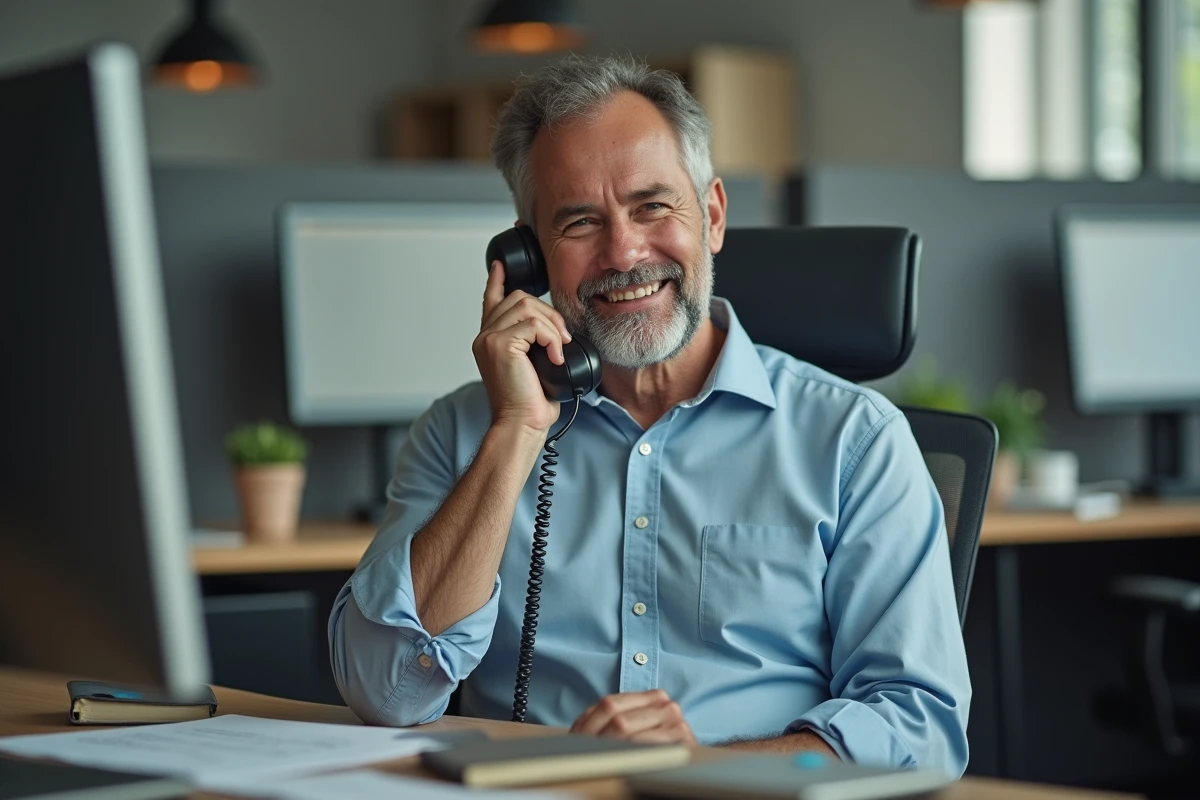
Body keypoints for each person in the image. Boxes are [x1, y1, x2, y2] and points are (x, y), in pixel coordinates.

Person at [328, 54, 970, 775]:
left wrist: (704, 769)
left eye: (653, 206)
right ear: (528, 257)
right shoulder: (460, 435)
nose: (625, 252)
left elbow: (919, 726)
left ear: (714, 216)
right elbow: (385, 693)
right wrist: (516, 434)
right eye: (579, 222)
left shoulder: (856, 441)